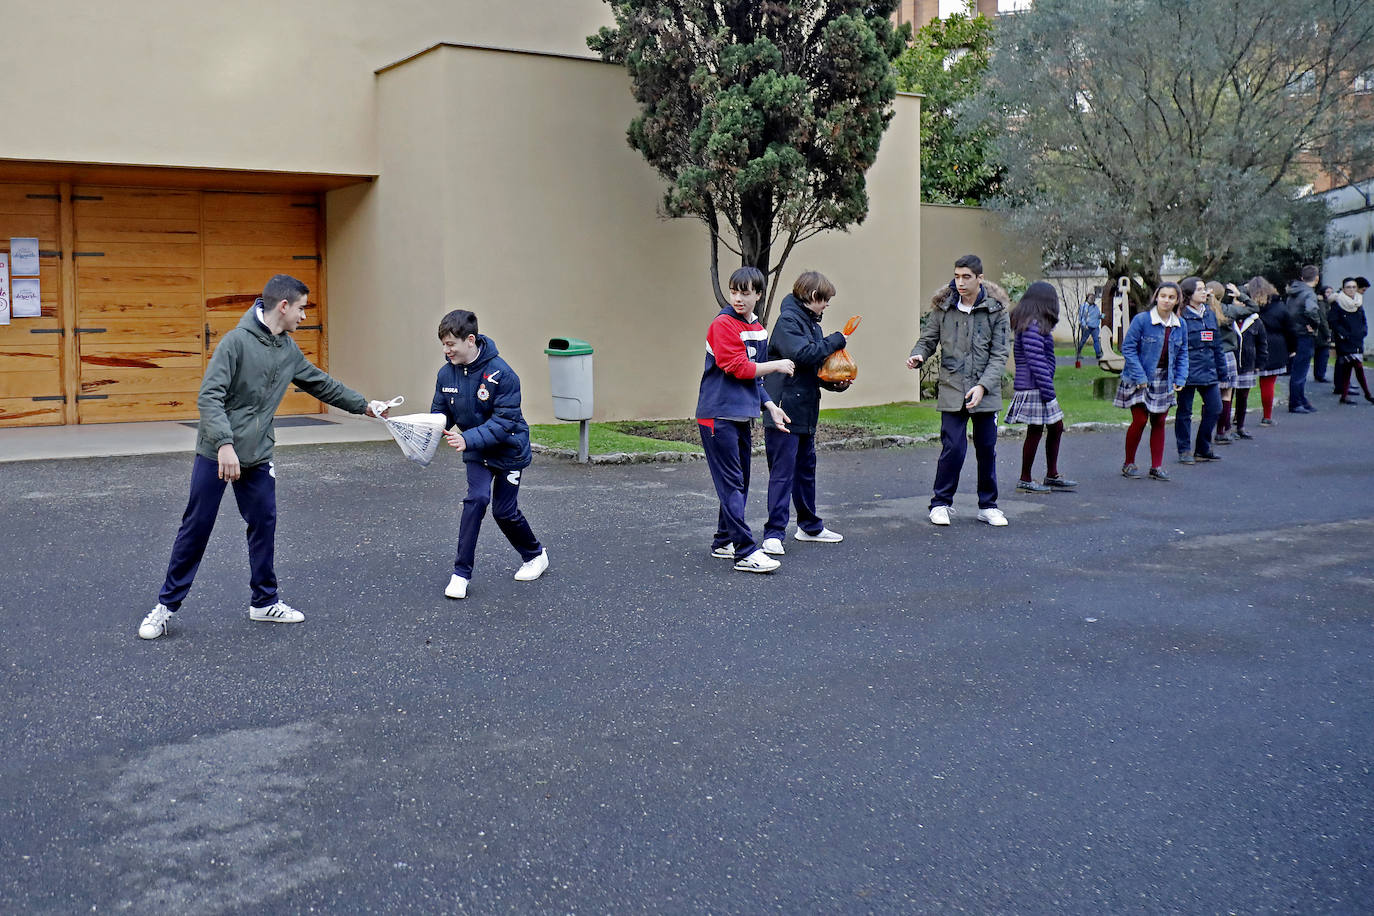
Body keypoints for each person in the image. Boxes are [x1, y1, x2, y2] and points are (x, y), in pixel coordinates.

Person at [138, 274, 388, 640]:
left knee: (264, 523)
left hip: (257, 454)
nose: (304, 316)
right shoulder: (235, 344)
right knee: (196, 528)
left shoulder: (287, 350)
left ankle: (264, 602)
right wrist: (224, 444)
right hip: (217, 453)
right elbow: (209, 397)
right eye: (302, 308)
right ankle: (165, 608)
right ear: (283, 306)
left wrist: (365, 406)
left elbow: (321, 383)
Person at [432, 308, 547, 600]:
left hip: (508, 450)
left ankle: (535, 555)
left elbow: (504, 422)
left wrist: (466, 439)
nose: (446, 351)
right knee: (476, 500)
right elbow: (440, 414)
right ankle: (460, 574)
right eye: (443, 345)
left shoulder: (503, 374)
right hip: (476, 450)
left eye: (450, 344)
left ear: (470, 340)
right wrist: (420, 430)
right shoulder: (446, 373)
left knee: (504, 512)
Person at [697, 266, 795, 573]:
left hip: (741, 415)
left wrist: (770, 407)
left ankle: (723, 541)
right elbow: (738, 368)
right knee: (731, 485)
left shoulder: (758, 330)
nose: (738, 298)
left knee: (740, 484)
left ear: (758, 295)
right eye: (734, 291)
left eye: (745, 292)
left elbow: (755, 380)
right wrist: (778, 364)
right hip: (717, 415)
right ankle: (744, 551)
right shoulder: (723, 324)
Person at [906, 254, 1012, 526]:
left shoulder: (996, 311)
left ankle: (988, 506)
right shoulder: (943, 308)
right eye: (957, 276)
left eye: (966, 277)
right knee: (953, 447)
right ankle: (940, 503)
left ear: (979, 277)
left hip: (984, 391)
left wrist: (982, 386)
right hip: (953, 387)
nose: (960, 282)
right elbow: (928, 339)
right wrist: (919, 355)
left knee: (987, 448)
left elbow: (999, 355)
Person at [759, 271, 852, 557]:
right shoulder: (788, 321)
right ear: (813, 297)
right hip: (783, 410)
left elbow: (811, 367)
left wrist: (834, 383)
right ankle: (773, 534)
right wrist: (838, 339)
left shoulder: (809, 323)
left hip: (805, 410)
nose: (826, 307)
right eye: (825, 301)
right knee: (783, 474)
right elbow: (802, 355)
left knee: (805, 471)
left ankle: (809, 526)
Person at [1005, 281, 1077, 492]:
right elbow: (1037, 362)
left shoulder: (1033, 324)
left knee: (1053, 427)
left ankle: (1051, 474)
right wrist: (1049, 392)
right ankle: (1026, 478)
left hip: (1037, 386)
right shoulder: (1032, 326)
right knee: (1039, 430)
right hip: (1034, 387)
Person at [1113, 282, 1188, 480]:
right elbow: (1128, 348)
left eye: (1171, 297)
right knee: (1139, 420)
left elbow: (1183, 354)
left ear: (1177, 300)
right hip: (1139, 377)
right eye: (1163, 295)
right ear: (1156, 297)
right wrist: (1140, 377)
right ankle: (1129, 462)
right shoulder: (1142, 320)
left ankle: (1156, 466)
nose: (1166, 300)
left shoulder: (1180, 325)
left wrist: (1181, 377)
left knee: (1160, 421)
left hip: (1165, 377)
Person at [1173, 276, 1228, 464]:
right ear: (1188, 294)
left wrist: (1223, 372)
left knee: (1215, 408)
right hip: (1187, 372)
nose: (1205, 292)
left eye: (1205, 289)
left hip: (1208, 370)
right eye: (1200, 289)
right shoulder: (1179, 316)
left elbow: (1217, 345)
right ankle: (1185, 450)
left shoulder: (1209, 314)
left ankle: (1203, 448)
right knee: (1184, 412)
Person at [1209, 280, 1256, 444]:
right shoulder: (1228, 310)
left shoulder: (1203, 311)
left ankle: (1207, 431)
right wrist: (1240, 295)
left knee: (1208, 394)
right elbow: (1253, 309)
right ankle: (1222, 431)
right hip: (1227, 354)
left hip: (1207, 355)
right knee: (1226, 394)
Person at [1230, 282, 1270, 439]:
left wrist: (1260, 364)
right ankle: (1225, 427)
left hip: (1247, 365)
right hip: (1230, 365)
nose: (1239, 304)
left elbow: (1262, 343)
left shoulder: (1256, 321)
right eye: (1236, 301)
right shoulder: (1228, 319)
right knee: (1226, 397)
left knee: (1243, 397)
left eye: (1242, 301)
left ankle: (1240, 426)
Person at [1255, 276, 1295, 427]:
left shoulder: (1248, 306)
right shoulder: (1279, 306)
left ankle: (1237, 419)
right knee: (1268, 383)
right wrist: (1292, 349)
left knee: (1242, 386)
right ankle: (1267, 417)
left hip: (1252, 346)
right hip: (1275, 347)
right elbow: (1289, 329)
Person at [1284, 265, 1324, 413]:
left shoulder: (1292, 293)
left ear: (1302, 278)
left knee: (1297, 368)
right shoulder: (1309, 294)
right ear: (1317, 278)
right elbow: (1311, 310)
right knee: (1300, 370)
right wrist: (1314, 324)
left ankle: (1300, 399)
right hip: (1303, 334)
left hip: (1293, 332)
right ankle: (1296, 402)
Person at [1329, 277, 1373, 404]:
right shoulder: (1337, 303)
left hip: (1357, 339)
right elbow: (1333, 321)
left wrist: (1364, 331)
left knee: (1348, 368)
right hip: (1345, 341)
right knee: (1358, 366)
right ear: (1343, 289)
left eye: (1354, 287)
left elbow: (1363, 320)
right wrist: (1344, 334)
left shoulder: (1358, 303)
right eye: (1349, 287)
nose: (1352, 290)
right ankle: (1368, 394)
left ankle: (1344, 396)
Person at [1075, 290, 1103, 362]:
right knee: (1083, 340)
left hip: (1095, 326)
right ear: (1087, 298)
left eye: (1093, 298)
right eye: (1091, 298)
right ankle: (1078, 352)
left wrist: (1102, 316)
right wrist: (1084, 325)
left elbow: (1098, 315)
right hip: (1087, 326)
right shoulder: (1084, 306)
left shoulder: (1095, 307)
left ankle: (1098, 353)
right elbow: (1082, 317)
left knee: (1096, 340)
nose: (1092, 299)